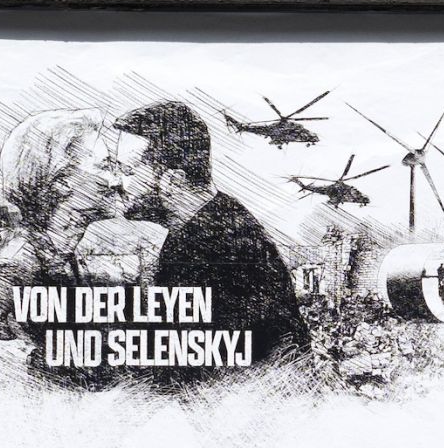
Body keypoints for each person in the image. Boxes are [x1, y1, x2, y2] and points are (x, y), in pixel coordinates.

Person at [109, 99, 311, 381]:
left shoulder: (212, 248)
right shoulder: (209, 228)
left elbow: (185, 375)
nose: (115, 183)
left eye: (127, 171)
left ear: (172, 182)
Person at [0, 108, 122, 378]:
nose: (117, 181)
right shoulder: (12, 268)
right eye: (106, 167)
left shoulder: (66, 258)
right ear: (60, 182)